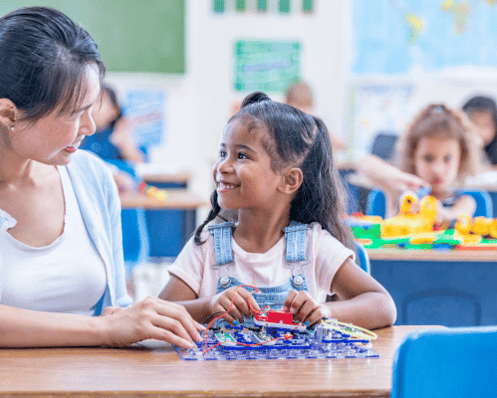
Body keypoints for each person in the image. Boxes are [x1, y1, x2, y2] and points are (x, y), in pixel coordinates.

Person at [0, 6, 202, 348]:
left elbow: (118, 311)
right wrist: (101, 331)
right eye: (75, 113)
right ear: (8, 113)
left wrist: (193, 311)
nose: (89, 127)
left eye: (92, 107)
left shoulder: (92, 177)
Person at [158, 92, 396, 330]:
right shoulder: (206, 245)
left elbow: (383, 305)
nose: (222, 166)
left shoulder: (313, 245)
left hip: (298, 369)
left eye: (241, 156)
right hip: (221, 369)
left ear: (289, 180)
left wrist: (324, 311)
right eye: (223, 153)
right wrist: (209, 306)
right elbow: (158, 315)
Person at [387, 103, 481, 224]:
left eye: (447, 159)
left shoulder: (464, 202)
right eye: (428, 158)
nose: (438, 169)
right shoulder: (402, 199)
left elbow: (456, 217)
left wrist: (441, 214)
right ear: (412, 156)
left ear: (461, 158)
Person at [284, 81, 346, 152]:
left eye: (306, 108)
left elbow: (342, 144)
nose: (302, 115)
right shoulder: (284, 127)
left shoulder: (315, 127)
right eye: (298, 109)